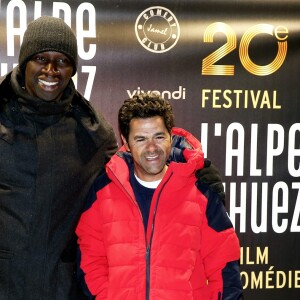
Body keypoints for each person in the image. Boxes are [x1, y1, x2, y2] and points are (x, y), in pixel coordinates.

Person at [0, 16, 226, 300]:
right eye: (40, 58)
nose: (50, 70)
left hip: (59, 289)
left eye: (62, 61)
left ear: (72, 69)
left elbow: (137, 166)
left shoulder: (91, 131)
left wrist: (196, 172)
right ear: (24, 62)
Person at [76, 93, 243, 299]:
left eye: (159, 136)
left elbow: (225, 268)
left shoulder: (202, 191)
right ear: (126, 143)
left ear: (171, 137)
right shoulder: (103, 191)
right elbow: (89, 261)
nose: (152, 148)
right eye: (140, 139)